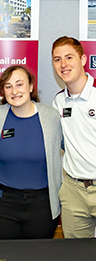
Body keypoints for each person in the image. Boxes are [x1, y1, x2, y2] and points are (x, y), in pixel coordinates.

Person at [0, 65, 63, 240]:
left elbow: (71, 146)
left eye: (19, 84)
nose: (14, 91)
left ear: (30, 87)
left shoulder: (51, 117)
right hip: (4, 202)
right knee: (6, 257)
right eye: (8, 86)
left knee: (38, 258)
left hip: (42, 204)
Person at [52, 36, 96, 238]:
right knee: (76, 257)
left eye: (69, 57)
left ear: (83, 59)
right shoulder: (59, 101)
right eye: (57, 59)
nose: (63, 64)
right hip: (73, 190)